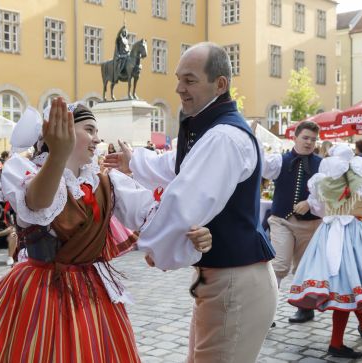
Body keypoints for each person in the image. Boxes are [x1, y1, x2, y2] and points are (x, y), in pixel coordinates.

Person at [0, 99, 211, 363]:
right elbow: (38, 203)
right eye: (90, 130)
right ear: (62, 131)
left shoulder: (107, 182)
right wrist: (58, 155)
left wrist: (192, 233)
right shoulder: (23, 170)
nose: (97, 139)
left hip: (92, 292)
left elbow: (152, 215)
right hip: (39, 292)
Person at [105, 42, 277, 363]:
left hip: (234, 285)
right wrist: (134, 163)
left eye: (190, 80)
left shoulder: (223, 137)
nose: (178, 88)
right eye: (178, 78)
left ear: (220, 84)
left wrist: (119, 195)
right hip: (221, 281)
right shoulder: (213, 130)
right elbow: (178, 163)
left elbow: (181, 207)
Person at [288, 144, 362, 358]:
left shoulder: (321, 182)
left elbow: (318, 210)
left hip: (327, 233)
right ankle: (337, 343)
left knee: (348, 283)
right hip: (355, 233)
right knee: (352, 283)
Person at [258, 120, 323, 324]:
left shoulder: (322, 164)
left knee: (305, 267)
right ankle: (265, 312)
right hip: (281, 221)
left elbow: (328, 193)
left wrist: (310, 203)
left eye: (313, 139)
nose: (309, 142)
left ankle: (306, 308)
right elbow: (262, 167)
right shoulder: (280, 160)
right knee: (279, 264)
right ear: (294, 138)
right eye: (305, 138)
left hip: (311, 224)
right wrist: (254, 141)